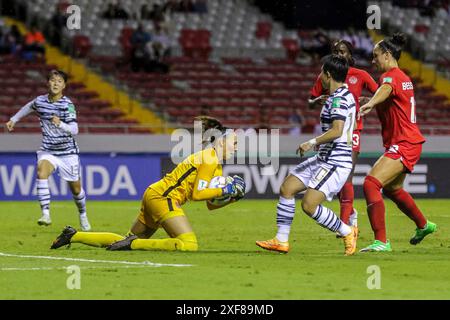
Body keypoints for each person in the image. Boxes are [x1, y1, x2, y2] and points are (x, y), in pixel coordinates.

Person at [50, 116, 246, 252]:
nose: (236, 148)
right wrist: (226, 188)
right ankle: (133, 245)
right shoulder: (209, 158)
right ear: (221, 142)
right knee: (189, 244)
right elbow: (197, 194)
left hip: (156, 194)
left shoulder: (215, 164)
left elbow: (210, 204)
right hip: (163, 198)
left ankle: (73, 236)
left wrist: (231, 198)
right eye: (234, 143)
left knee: (124, 238)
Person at [256, 55, 358, 256]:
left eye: (321, 72)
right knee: (287, 187)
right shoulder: (342, 95)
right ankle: (281, 240)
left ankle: (347, 231)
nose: (319, 76)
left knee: (309, 205)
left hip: (336, 162)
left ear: (328, 75)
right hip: (325, 158)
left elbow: (337, 130)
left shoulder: (338, 98)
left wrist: (311, 142)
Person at [358, 33, 437, 252]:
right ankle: (424, 225)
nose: (373, 60)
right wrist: (366, 101)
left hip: (404, 142)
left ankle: (381, 241)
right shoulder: (400, 77)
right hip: (407, 141)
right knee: (392, 188)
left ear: (387, 54)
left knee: (371, 183)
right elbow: (388, 96)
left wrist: (371, 103)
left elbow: (385, 90)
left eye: (375, 56)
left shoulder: (391, 77)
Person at [5, 70, 91, 231]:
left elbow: (74, 129)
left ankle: (82, 214)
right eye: (53, 80)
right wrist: (14, 119)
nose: (55, 83)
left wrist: (60, 124)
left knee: (77, 190)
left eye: (59, 81)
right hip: (48, 151)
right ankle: (46, 214)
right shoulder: (40, 101)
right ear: (48, 83)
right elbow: (29, 106)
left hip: (68, 153)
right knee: (41, 172)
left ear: (64, 85)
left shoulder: (68, 104)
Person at [308, 39, 378, 232]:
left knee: (346, 177)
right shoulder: (326, 75)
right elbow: (310, 101)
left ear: (350, 54)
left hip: (351, 131)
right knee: (339, 180)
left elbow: (382, 93)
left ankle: (345, 222)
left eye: (343, 51)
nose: (340, 55)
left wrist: (369, 101)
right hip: (331, 132)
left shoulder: (360, 75)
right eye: (336, 51)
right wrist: (316, 101)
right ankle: (350, 215)